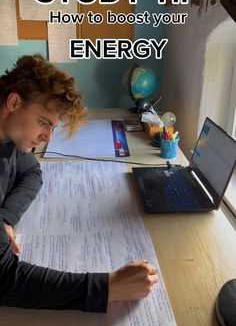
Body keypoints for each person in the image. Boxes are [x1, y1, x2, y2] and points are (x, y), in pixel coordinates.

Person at [0, 54, 157, 312]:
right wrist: (108, 287)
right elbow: (5, 278)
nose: (47, 137)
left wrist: (6, 217)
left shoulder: (10, 134)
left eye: (52, 127)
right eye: (43, 123)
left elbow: (32, 174)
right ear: (14, 102)